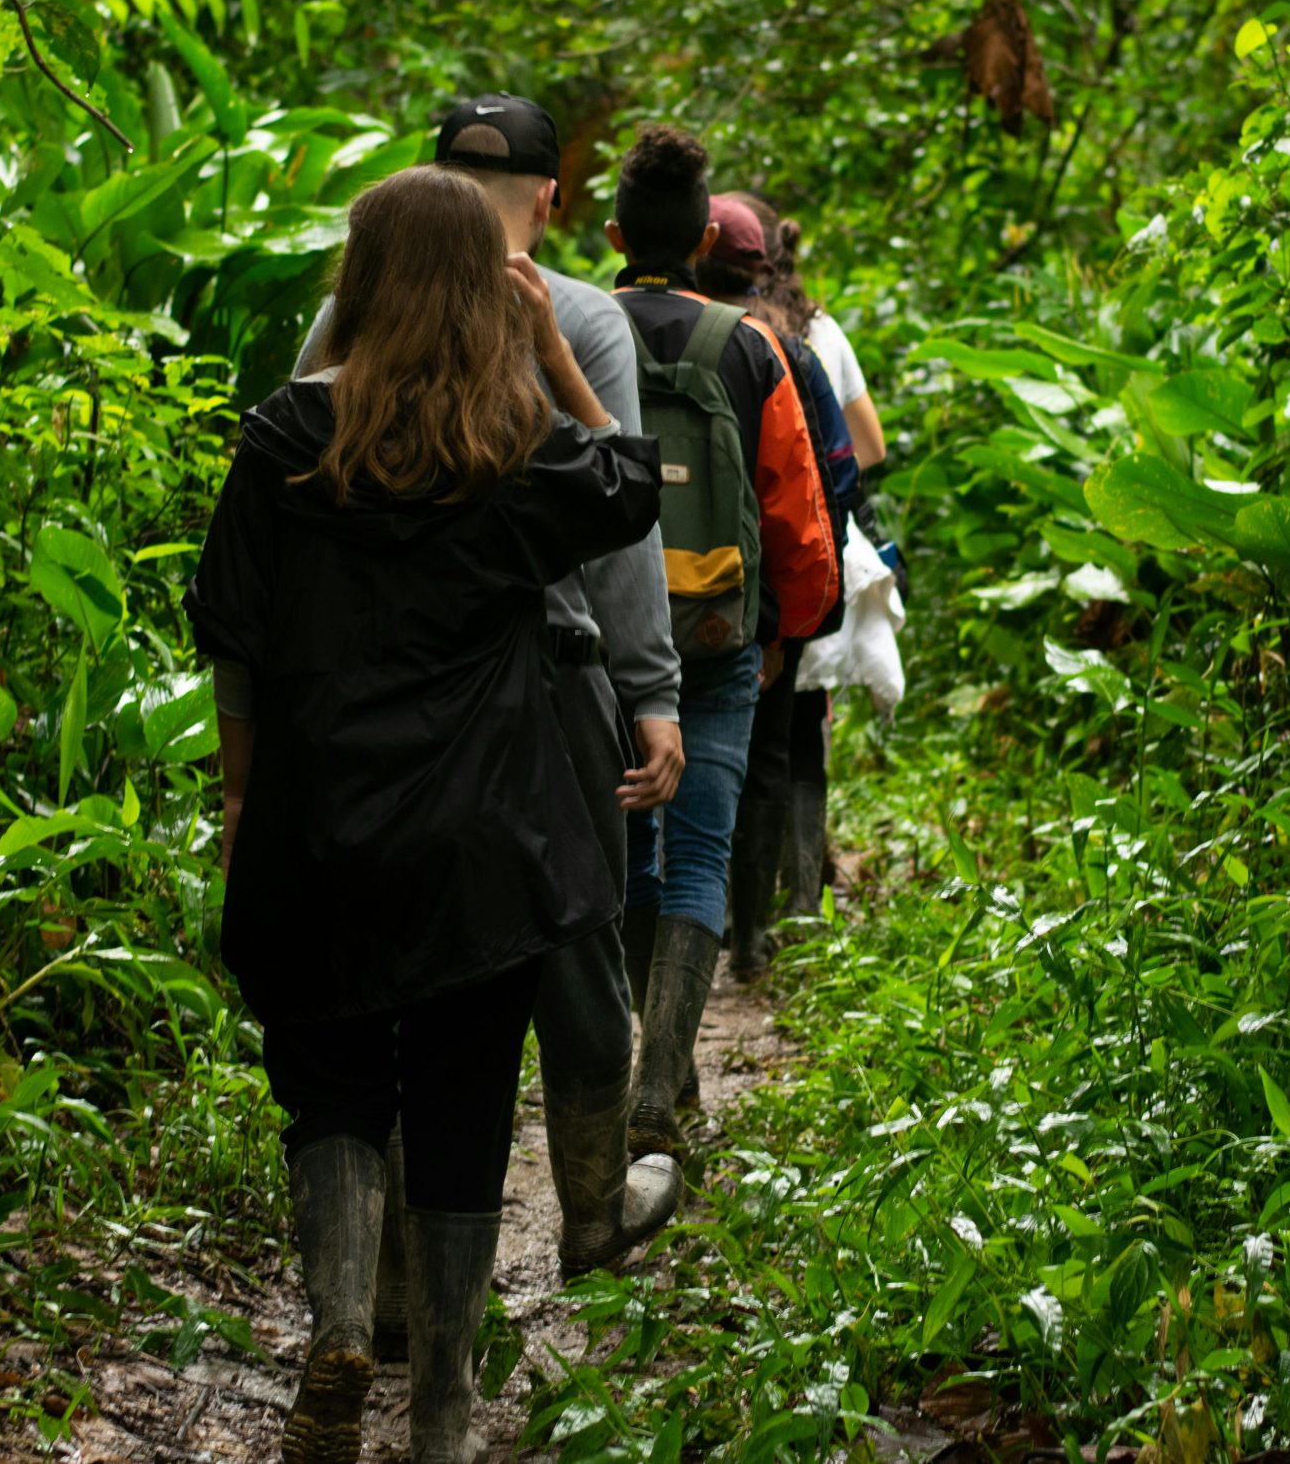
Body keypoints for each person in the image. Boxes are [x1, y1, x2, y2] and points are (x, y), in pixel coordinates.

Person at [188, 166, 663, 1464]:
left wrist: (240, 798)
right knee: (461, 1095)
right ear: (483, 288)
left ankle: (344, 1323)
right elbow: (634, 481)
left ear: (362, 275)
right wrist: (558, 348)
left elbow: (231, 636)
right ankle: (444, 1402)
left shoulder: (286, 437)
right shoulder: (516, 448)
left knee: (331, 1082)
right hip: (484, 837)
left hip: (320, 814)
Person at [292, 96, 687, 1322]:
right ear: (551, 199)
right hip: (548, 686)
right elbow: (623, 514)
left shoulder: (348, 312)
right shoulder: (571, 314)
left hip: (362, 695)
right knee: (573, 949)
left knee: (398, 981)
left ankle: (395, 1290)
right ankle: (588, 1207)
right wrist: (654, 691)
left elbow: (288, 471)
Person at [606, 126, 839, 1157]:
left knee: (627, 857)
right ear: (705, 235)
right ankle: (660, 1085)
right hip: (715, 635)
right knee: (699, 844)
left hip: (603, 646)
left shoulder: (570, 327)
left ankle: (660, 1065)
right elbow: (797, 511)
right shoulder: (751, 347)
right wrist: (790, 627)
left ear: (612, 232)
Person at [693, 194, 857, 981]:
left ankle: (681, 936)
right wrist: (794, 621)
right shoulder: (784, 349)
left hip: (644, 600)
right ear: (763, 265)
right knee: (763, 760)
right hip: (754, 608)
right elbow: (834, 478)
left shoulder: (629, 330)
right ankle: (749, 936)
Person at [728, 193, 894, 926]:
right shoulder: (818, 332)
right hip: (806, 559)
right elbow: (871, 448)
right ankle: (799, 899)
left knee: (740, 738)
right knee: (802, 737)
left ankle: (740, 912)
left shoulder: (716, 325)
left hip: (727, 563)